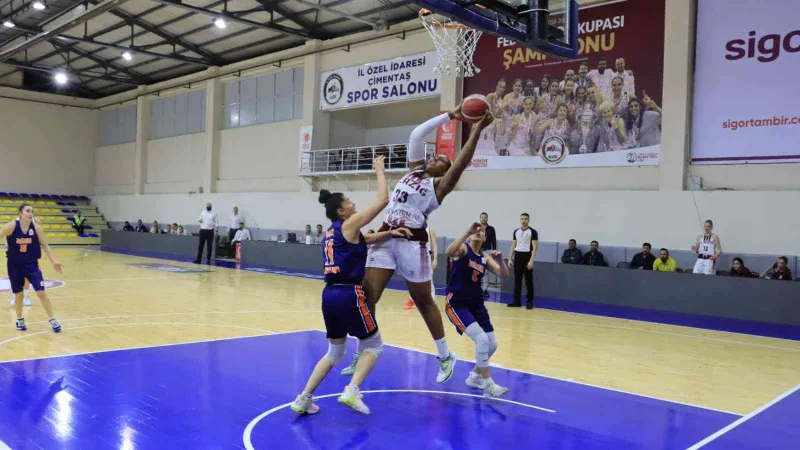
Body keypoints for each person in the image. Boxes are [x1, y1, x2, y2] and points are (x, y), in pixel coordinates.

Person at [351, 107, 494, 384]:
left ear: (445, 171)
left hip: (412, 244)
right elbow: (416, 134)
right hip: (386, 236)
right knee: (367, 296)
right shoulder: (415, 170)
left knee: (423, 300)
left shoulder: (439, 186)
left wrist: (476, 129)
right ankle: (364, 349)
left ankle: (445, 356)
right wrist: (451, 115)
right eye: (436, 155)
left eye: (442, 159)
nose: (436, 157)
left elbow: (461, 163)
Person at [290, 156, 411, 415]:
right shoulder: (349, 224)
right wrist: (380, 171)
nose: (353, 203)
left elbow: (365, 239)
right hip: (349, 294)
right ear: (341, 211)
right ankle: (352, 390)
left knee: (335, 352)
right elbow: (382, 202)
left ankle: (303, 397)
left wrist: (390, 233)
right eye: (348, 202)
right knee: (374, 345)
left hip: (329, 295)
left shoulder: (331, 232)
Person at [444, 222, 510, 398]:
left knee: (492, 343)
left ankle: (474, 376)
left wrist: (501, 261)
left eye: (482, 232)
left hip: (476, 304)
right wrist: (466, 232)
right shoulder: (464, 249)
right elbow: (449, 252)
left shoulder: (484, 257)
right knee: (481, 339)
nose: (478, 233)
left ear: (485, 238)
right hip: (457, 303)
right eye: (476, 231)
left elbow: (504, 274)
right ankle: (489, 385)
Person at [0, 204, 62, 332]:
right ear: (20, 213)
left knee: (41, 292)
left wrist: (54, 260)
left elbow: (45, 245)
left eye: (32, 211)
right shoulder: (11, 226)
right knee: (19, 295)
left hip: (31, 264)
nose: (30, 213)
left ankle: (52, 319)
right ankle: (19, 319)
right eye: (28, 211)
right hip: (14, 265)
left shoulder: (37, 228)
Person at [508, 213, 538, 309]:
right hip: (518, 256)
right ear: (520, 220)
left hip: (527, 256)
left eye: (525, 219)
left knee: (528, 281)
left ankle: (529, 302)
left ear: (528, 220)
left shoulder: (533, 232)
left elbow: (535, 248)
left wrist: (531, 261)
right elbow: (513, 245)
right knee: (517, 280)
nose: (524, 220)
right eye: (522, 219)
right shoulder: (516, 231)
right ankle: (517, 301)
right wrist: (510, 258)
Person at [405, 226, 438, 309]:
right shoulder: (412, 228)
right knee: (414, 281)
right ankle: (412, 299)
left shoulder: (430, 229)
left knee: (429, 282)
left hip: (426, 256)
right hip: (414, 257)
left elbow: (434, 245)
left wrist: (435, 259)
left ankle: (432, 303)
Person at [479, 212, 497, 298]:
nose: (483, 219)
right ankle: (477, 289)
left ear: (487, 218)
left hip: (488, 252)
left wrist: (494, 251)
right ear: (480, 218)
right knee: (477, 269)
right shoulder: (477, 228)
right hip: (478, 251)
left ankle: (484, 289)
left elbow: (494, 240)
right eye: (482, 217)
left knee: (486, 271)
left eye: (485, 217)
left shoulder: (491, 229)